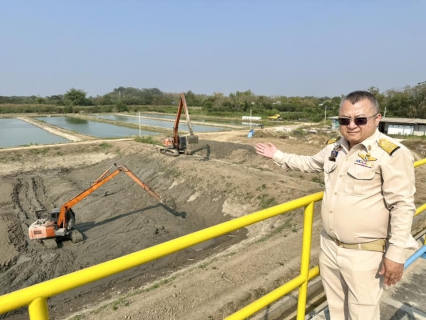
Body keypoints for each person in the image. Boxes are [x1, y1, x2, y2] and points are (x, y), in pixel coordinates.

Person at [255, 90, 418, 320]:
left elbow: (402, 206)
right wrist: (278, 156)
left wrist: (396, 255)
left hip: (365, 254)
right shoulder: (334, 147)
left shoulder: (390, 153)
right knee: (337, 310)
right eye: (344, 120)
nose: (352, 125)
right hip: (330, 247)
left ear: (377, 119)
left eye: (360, 119)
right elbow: (310, 163)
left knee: (363, 314)